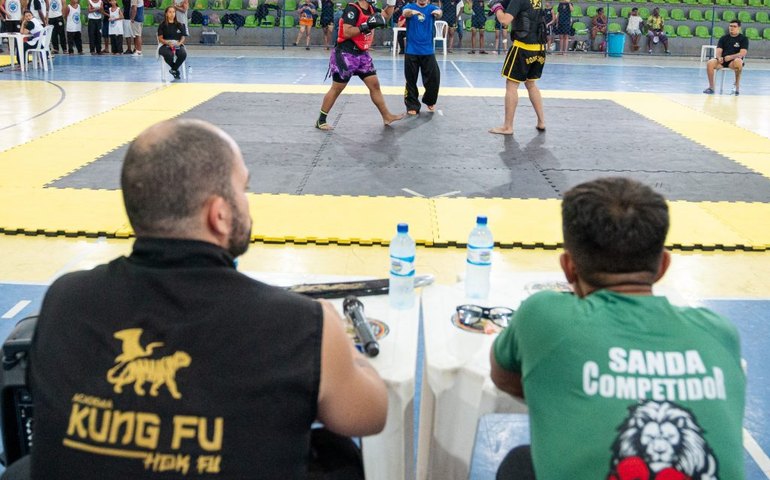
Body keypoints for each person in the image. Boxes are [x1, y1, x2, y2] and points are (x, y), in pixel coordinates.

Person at [25, 118, 389, 478]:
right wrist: (337, 337)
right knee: (338, 456)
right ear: (220, 215)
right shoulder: (300, 325)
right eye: (243, 189)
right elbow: (371, 414)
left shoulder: (64, 301)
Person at [490, 177, 746, 479]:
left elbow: (504, 377)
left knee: (520, 464)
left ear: (568, 267)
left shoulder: (544, 315)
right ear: (663, 266)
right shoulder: (719, 333)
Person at [315, 0, 405, 130]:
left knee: (374, 85)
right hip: (346, 53)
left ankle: (387, 116)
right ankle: (321, 120)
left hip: (362, 54)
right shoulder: (352, 9)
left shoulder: (371, 9)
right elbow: (346, 32)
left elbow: (385, 16)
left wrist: (391, 3)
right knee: (337, 88)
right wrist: (366, 25)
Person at [488, 0, 546, 135]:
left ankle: (507, 127)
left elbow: (505, 21)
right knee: (531, 84)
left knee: (511, 85)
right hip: (539, 48)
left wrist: (497, 8)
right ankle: (541, 122)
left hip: (523, 48)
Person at [402, 0, 441, 114]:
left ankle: (430, 100)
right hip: (412, 50)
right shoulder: (409, 6)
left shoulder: (432, 8)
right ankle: (412, 106)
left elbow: (439, 13)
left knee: (434, 78)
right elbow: (405, 13)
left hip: (427, 50)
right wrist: (412, 12)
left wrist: (438, 13)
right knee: (410, 80)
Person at [703, 19, 748, 95]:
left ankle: (736, 87)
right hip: (723, 61)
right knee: (710, 62)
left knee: (738, 61)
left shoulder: (743, 39)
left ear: (739, 28)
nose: (732, 28)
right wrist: (719, 57)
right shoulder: (723, 38)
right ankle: (711, 87)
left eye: (734, 26)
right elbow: (719, 50)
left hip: (733, 62)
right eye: (730, 26)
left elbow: (743, 53)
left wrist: (731, 57)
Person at [157, 5, 186, 79]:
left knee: (183, 54)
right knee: (168, 54)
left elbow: (183, 37)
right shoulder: (162, 25)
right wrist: (168, 43)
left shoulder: (179, 24)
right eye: (170, 12)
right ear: (166, 14)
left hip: (177, 43)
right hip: (165, 44)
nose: (172, 14)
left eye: (173, 12)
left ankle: (174, 69)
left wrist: (179, 43)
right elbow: (160, 38)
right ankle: (175, 70)